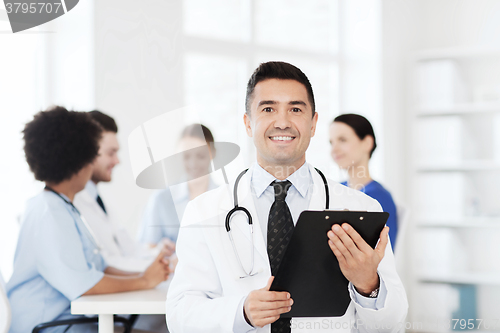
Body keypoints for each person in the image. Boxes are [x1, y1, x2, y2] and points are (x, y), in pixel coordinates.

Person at [166, 62, 407, 333]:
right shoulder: (203, 211)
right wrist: (241, 311)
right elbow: (179, 316)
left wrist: (368, 285)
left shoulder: (361, 207)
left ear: (313, 123)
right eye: (268, 109)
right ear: (248, 123)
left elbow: (393, 324)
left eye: (295, 109)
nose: (282, 122)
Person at [6, 106, 170, 333]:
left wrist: (148, 274)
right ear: (79, 162)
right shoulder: (48, 213)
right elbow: (84, 285)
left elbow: (100, 268)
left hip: (71, 323)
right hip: (50, 327)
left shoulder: (64, 207)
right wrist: (144, 281)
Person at [74, 110, 171, 272]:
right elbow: (104, 263)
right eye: (111, 153)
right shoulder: (76, 202)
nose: (117, 161)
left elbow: (128, 250)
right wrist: (159, 266)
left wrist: (158, 253)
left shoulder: (97, 200)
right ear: (87, 152)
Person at [138, 124, 218, 248]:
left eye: (200, 156)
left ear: (212, 153)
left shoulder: (226, 199)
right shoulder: (160, 199)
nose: (193, 164)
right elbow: (145, 250)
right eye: (186, 156)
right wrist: (163, 254)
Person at [329, 114, 399, 247]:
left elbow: (382, 255)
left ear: (367, 143)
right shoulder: (335, 190)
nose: (334, 149)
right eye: (331, 142)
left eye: (342, 140)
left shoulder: (379, 198)